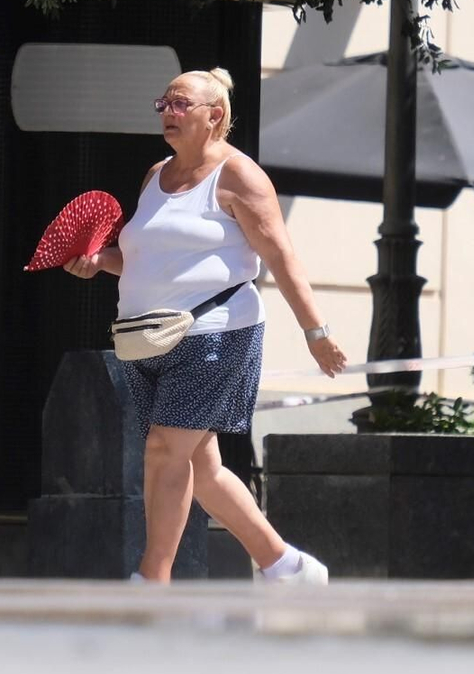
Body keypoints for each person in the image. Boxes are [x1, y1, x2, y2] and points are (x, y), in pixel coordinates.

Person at [64, 67, 347, 583]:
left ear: (214, 115)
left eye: (180, 104)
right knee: (202, 469)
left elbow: (281, 258)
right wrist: (99, 261)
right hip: (148, 338)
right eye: (164, 104)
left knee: (164, 450)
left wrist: (316, 332)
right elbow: (146, 259)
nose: (167, 114)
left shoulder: (239, 176)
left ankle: (152, 581)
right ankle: (287, 566)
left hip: (216, 334)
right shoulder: (155, 175)